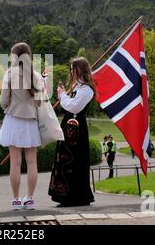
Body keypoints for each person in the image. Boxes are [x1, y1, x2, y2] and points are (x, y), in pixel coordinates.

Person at [0, 43, 43, 210]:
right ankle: (30, 199)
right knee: (32, 162)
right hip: (31, 120)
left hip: (14, 119)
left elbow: (3, 101)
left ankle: (16, 200)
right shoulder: (36, 75)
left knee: (15, 163)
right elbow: (40, 102)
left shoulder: (9, 74)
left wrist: (9, 107)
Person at [48, 57, 95, 207]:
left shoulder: (87, 89)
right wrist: (65, 94)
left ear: (79, 70)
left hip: (76, 130)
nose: (70, 72)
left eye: (72, 69)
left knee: (74, 161)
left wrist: (62, 95)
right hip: (69, 128)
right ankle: (65, 195)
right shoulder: (77, 87)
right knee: (65, 160)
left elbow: (74, 107)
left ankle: (76, 196)